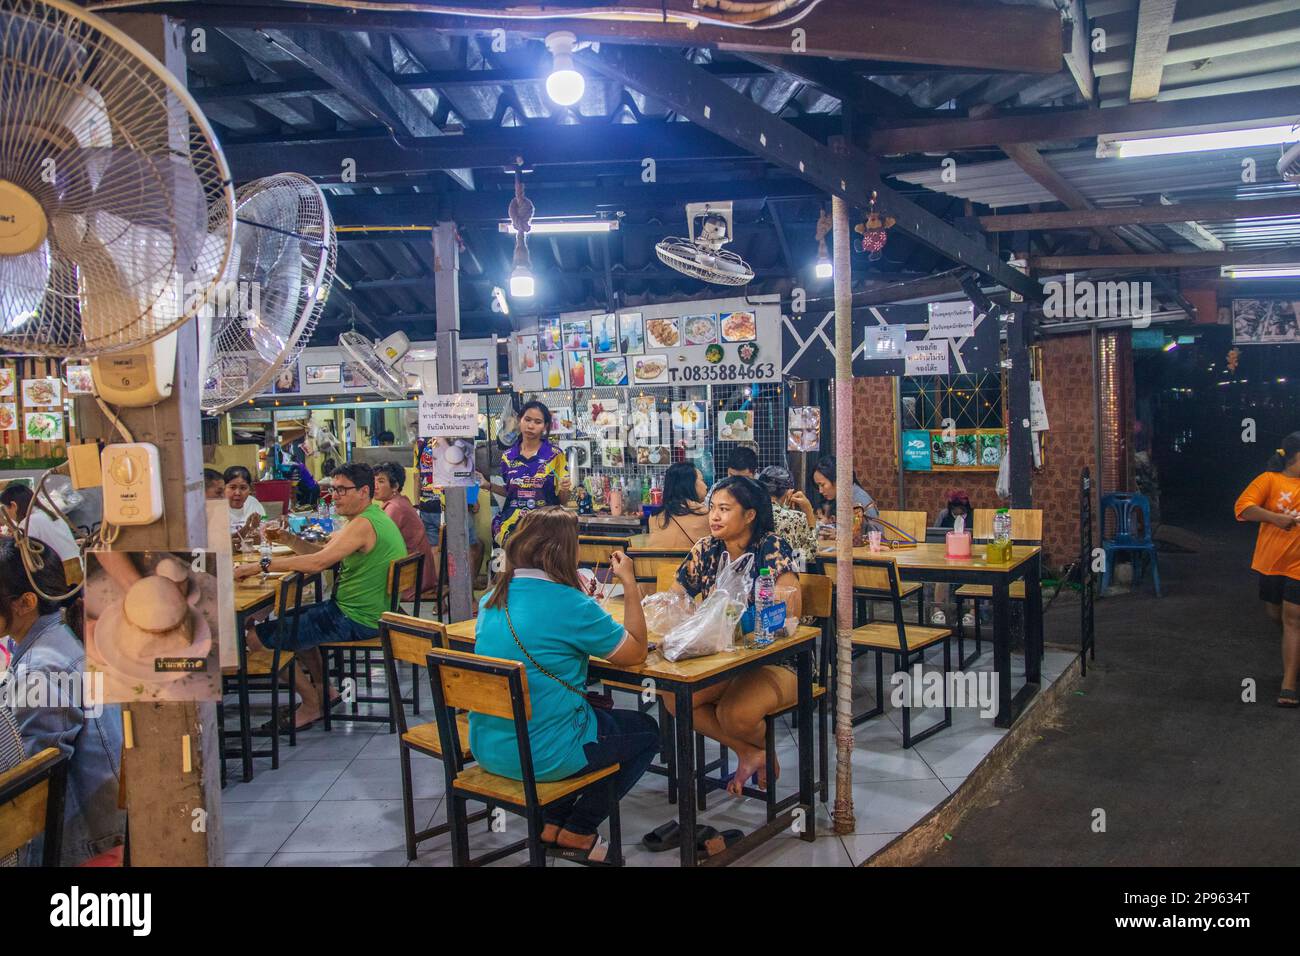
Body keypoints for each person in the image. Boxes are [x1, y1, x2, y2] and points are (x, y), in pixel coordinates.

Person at [471, 507, 655, 864]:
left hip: (490, 747)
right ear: (565, 551)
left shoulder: (491, 599)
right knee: (647, 732)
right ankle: (579, 829)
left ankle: (553, 822)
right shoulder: (570, 604)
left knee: (581, 724)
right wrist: (630, 582)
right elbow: (634, 653)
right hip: (546, 756)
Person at [236, 462, 407, 730]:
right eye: (332, 489)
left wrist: (259, 565)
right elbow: (319, 556)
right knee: (293, 620)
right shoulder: (370, 517)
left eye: (342, 490)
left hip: (355, 618)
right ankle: (325, 692)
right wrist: (289, 539)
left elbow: (317, 564)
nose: (334, 496)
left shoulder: (362, 525)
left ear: (364, 491)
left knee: (256, 637)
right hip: (366, 612)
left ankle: (310, 704)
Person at [666, 476, 802, 793]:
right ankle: (752, 752)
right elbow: (675, 600)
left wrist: (749, 621)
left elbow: (790, 614)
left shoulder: (772, 548)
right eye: (712, 508)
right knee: (675, 697)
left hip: (777, 659)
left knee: (735, 714)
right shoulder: (707, 550)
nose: (714, 516)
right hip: (721, 658)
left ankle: (755, 752)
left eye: (724, 509)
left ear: (750, 514)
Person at [0, 539, 124, 865]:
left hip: (83, 842)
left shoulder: (41, 667)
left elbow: (35, 772)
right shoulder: (57, 633)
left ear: (25, 602)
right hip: (101, 826)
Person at [1235, 433, 1300, 707]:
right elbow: (1244, 508)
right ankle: (1293, 650)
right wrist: (1276, 518)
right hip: (1271, 563)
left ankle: (1289, 685)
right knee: (1275, 614)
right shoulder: (1269, 480)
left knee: (1292, 619)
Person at [483, 400, 571, 545]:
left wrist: (564, 488)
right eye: (527, 419)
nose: (531, 426)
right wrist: (487, 485)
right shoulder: (508, 456)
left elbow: (563, 501)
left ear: (545, 426)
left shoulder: (555, 455)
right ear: (520, 421)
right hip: (513, 528)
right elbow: (510, 492)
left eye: (537, 422)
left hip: (545, 529)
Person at [373, 461, 437, 599]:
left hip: (411, 577)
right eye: (374, 481)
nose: (375, 486)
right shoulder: (399, 501)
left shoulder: (395, 508)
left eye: (381, 481)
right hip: (416, 570)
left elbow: (378, 541)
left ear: (395, 486)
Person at [0, 484, 80, 562]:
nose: (7, 513)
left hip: (62, 571)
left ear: (14, 506)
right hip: (78, 566)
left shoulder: (29, 523)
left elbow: (25, 555)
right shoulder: (51, 515)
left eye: (6, 508)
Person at [757, 465, 817, 567]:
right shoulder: (796, 518)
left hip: (757, 576)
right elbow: (810, 555)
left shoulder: (750, 514)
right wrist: (809, 513)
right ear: (789, 492)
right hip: (788, 577)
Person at [644, 462, 710, 549]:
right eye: (702, 480)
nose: (706, 486)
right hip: (690, 562)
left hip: (657, 562)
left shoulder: (654, 517)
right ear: (690, 484)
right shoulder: (706, 515)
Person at [812, 455, 878, 520]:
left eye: (822, 485)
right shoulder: (839, 499)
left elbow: (874, 530)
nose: (820, 491)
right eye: (818, 486)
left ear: (837, 479)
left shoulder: (860, 501)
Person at [223, 465, 266, 538]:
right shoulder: (217, 508)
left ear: (250, 489)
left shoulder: (253, 502)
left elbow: (265, 520)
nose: (237, 493)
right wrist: (247, 527)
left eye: (243, 488)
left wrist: (275, 524)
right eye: (232, 487)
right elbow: (223, 542)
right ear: (223, 488)